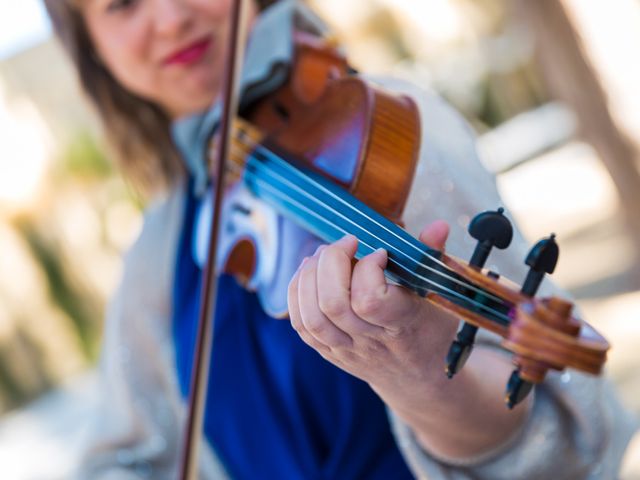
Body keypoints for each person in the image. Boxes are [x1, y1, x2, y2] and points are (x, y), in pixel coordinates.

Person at [44, 0, 635, 478]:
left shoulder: (382, 123)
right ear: (93, 53)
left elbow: (566, 442)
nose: (171, 17)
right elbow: (119, 457)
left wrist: (427, 378)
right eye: (122, 4)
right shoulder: (164, 241)